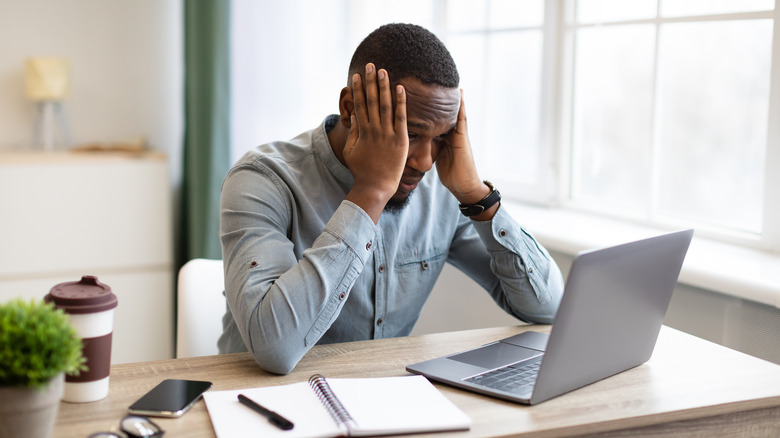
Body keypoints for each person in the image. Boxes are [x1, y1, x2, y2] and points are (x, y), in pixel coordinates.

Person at [218, 23, 564, 374]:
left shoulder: (443, 190)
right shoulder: (263, 179)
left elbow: (548, 308)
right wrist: (370, 192)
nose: (425, 162)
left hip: (386, 400)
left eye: (442, 137)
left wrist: (477, 195)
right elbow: (274, 348)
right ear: (351, 109)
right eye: (410, 133)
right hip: (263, 405)